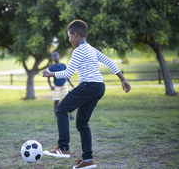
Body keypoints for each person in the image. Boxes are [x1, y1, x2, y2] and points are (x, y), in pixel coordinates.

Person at [42, 19, 131, 169]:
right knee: (82, 122)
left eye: (69, 36)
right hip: (99, 87)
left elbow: (68, 72)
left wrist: (49, 73)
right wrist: (123, 79)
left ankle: (63, 148)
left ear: (75, 35)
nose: (69, 40)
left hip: (88, 86)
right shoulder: (91, 49)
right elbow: (109, 62)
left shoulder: (78, 51)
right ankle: (88, 159)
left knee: (61, 109)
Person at [48, 51, 74, 120]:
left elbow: (67, 75)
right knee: (56, 101)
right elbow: (48, 78)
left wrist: (70, 83)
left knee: (67, 100)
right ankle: (56, 116)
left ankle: (70, 115)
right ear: (52, 58)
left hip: (64, 84)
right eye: (53, 56)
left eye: (56, 55)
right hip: (56, 85)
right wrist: (50, 86)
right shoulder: (51, 68)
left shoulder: (63, 65)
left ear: (59, 56)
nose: (54, 57)